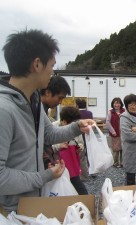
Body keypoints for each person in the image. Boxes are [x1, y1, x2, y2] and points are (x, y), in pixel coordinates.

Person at [0, 29, 94, 212]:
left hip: (32, 203)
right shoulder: (4, 109)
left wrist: (77, 127)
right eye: (51, 65)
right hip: (11, 211)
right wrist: (45, 176)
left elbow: (49, 134)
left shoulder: (32, 100)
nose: (52, 71)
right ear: (37, 64)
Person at [52, 106, 88, 195]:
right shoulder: (53, 127)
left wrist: (80, 147)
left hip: (71, 163)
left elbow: (81, 143)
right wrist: (58, 146)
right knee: (59, 188)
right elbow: (46, 147)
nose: (73, 126)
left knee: (79, 187)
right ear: (63, 121)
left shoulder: (77, 128)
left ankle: (85, 202)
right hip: (56, 164)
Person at [75, 98, 92, 180]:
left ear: (77, 105)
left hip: (78, 135)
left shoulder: (75, 113)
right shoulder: (89, 113)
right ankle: (92, 170)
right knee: (89, 153)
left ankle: (82, 173)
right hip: (88, 134)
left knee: (81, 155)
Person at [106, 97, 125, 168]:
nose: (117, 105)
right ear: (113, 104)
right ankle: (115, 162)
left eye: (118, 103)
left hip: (123, 133)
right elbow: (107, 122)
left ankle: (123, 163)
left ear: (121, 104)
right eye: (115, 103)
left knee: (123, 148)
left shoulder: (124, 111)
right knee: (116, 149)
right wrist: (112, 131)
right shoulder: (110, 112)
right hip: (115, 133)